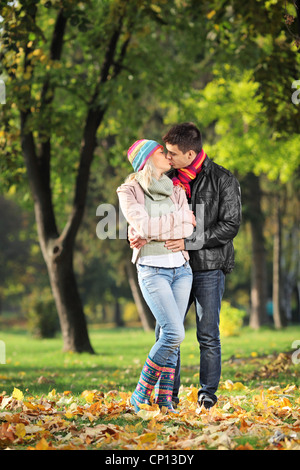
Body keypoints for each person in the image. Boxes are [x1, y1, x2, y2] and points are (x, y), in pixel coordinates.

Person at [129, 123, 242, 410]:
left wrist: (189, 240)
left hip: (207, 266)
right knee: (168, 332)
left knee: (207, 334)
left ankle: (207, 394)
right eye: (165, 152)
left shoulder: (223, 179)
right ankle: (170, 395)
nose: (167, 157)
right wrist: (138, 232)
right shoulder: (167, 178)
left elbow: (229, 226)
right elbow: (144, 213)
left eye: (172, 153)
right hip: (170, 265)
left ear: (190, 154)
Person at [117, 139, 196, 413]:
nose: (169, 155)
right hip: (152, 269)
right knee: (174, 333)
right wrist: (173, 223)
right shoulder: (128, 190)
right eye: (163, 152)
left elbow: (189, 227)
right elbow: (142, 224)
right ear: (149, 159)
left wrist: (152, 230)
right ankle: (140, 394)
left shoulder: (175, 189)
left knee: (168, 335)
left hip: (182, 270)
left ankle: (164, 400)